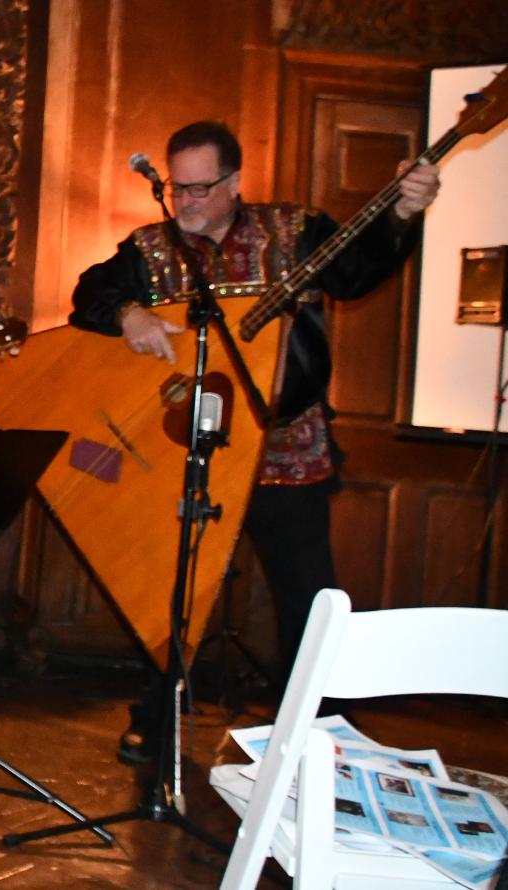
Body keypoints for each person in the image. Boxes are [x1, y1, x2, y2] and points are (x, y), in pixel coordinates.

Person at [69, 121, 441, 763]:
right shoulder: (151, 247)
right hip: (195, 451)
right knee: (177, 590)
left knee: (308, 594)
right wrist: (128, 313)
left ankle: (319, 728)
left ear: (236, 181)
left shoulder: (295, 231)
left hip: (285, 445)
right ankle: (157, 719)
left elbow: (356, 271)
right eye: (178, 188)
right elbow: (89, 292)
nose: (186, 202)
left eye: (201, 188)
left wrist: (403, 212)